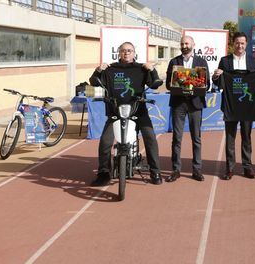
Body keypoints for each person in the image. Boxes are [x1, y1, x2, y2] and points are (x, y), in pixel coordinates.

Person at [89, 41, 163, 186]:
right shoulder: (110, 69)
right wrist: (98, 70)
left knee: (150, 137)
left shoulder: (141, 68)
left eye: (129, 50)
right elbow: (93, 83)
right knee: (105, 141)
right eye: (123, 50)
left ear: (134, 53)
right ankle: (103, 173)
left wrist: (152, 70)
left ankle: (155, 171)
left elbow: (155, 83)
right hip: (115, 111)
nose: (126, 53)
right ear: (119, 53)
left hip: (138, 110)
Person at [212, 32, 255, 180]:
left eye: (242, 43)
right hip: (231, 105)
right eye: (237, 43)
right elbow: (218, 83)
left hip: (247, 106)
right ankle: (230, 168)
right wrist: (216, 76)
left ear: (246, 44)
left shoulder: (252, 61)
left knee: (246, 137)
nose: (240, 46)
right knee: (230, 137)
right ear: (233, 44)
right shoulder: (225, 61)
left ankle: (247, 167)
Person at [165, 35, 210, 182]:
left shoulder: (201, 62)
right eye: (182, 43)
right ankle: (176, 169)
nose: (184, 45)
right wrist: (180, 85)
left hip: (195, 104)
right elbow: (167, 84)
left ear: (193, 44)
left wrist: (194, 85)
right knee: (176, 138)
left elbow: (207, 84)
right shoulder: (174, 62)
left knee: (196, 138)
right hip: (178, 104)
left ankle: (197, 170)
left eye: (187, 43)